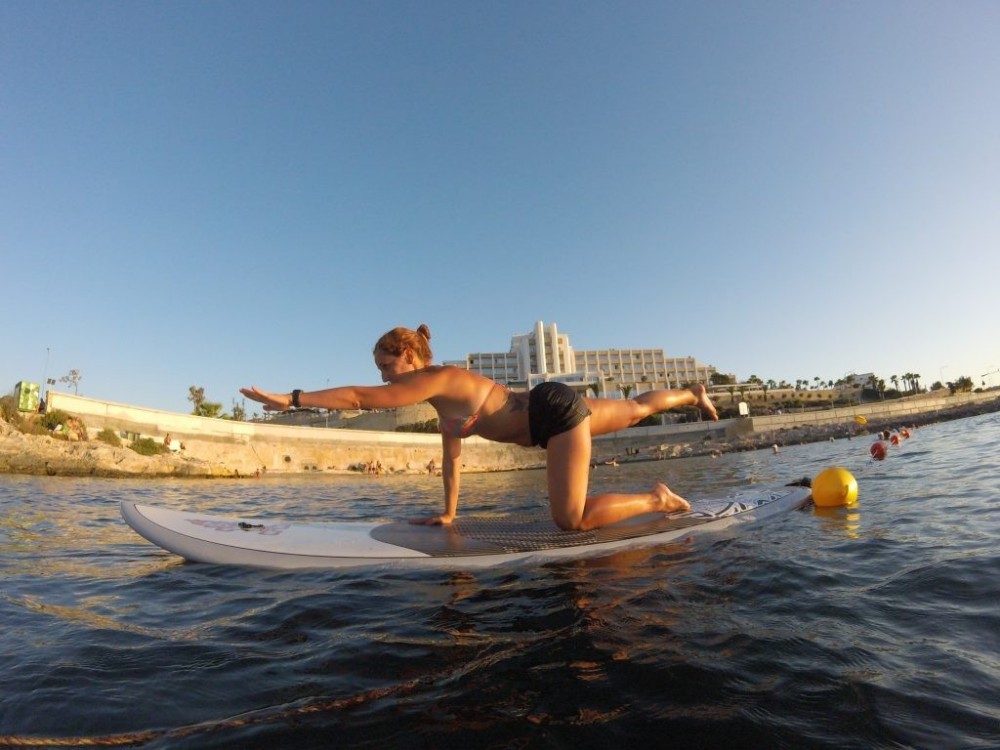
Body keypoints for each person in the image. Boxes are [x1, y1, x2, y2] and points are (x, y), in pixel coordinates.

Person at [240, 324, 718, 531]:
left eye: (387, 365)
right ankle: (693, 394)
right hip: (550, 408)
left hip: (551, 413)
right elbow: (452, 461)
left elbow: (361, 398)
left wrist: (291, 400)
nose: (383, 375)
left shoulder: (439, 377)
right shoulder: (442, 402)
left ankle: (658, 498)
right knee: (635, 408)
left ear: (409, 356)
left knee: (569, 521)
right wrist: (449, 514)